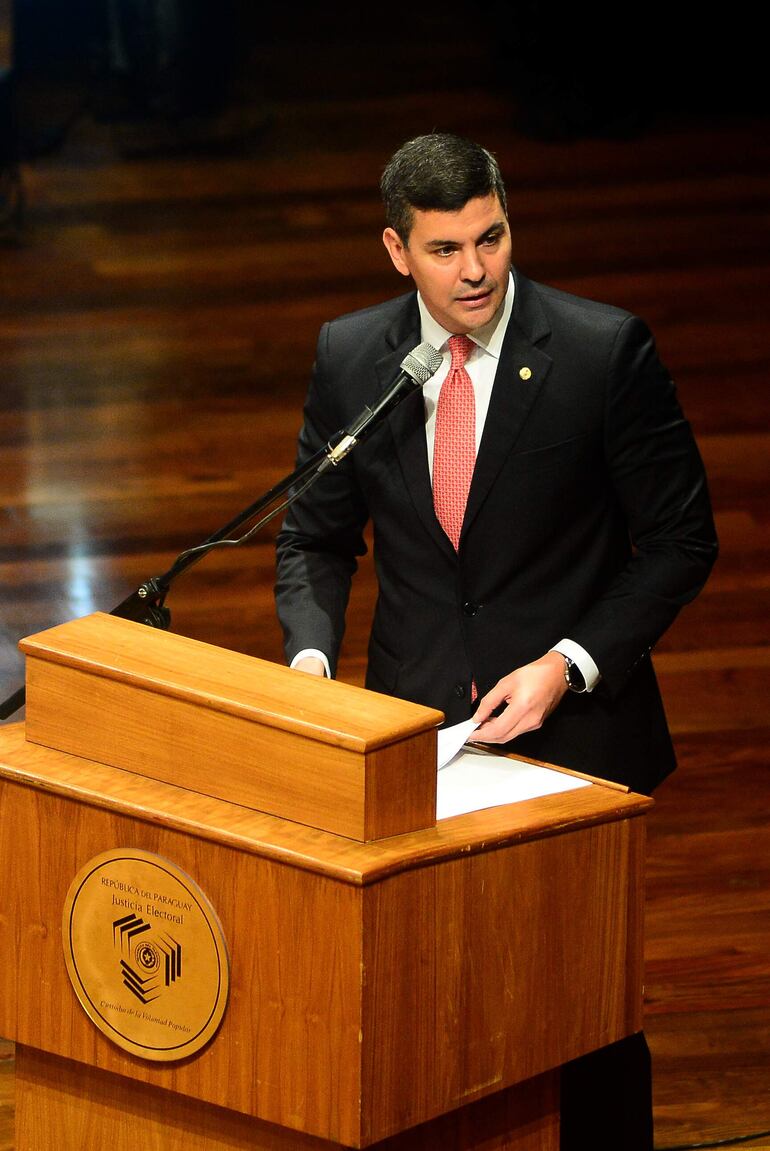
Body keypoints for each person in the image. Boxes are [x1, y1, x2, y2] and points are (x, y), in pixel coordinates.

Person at [274, 133, 718, 1148]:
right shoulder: (352, 355)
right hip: (418, 733)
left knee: (583, 1015)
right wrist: (309, 664)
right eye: (445, 249)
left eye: (492, 237)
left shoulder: (602, 351)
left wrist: (568, 662)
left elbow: (680, 540)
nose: (475, 269)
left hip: (574, 737)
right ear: (397, 250)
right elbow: (315, 535)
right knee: (433, 1008)